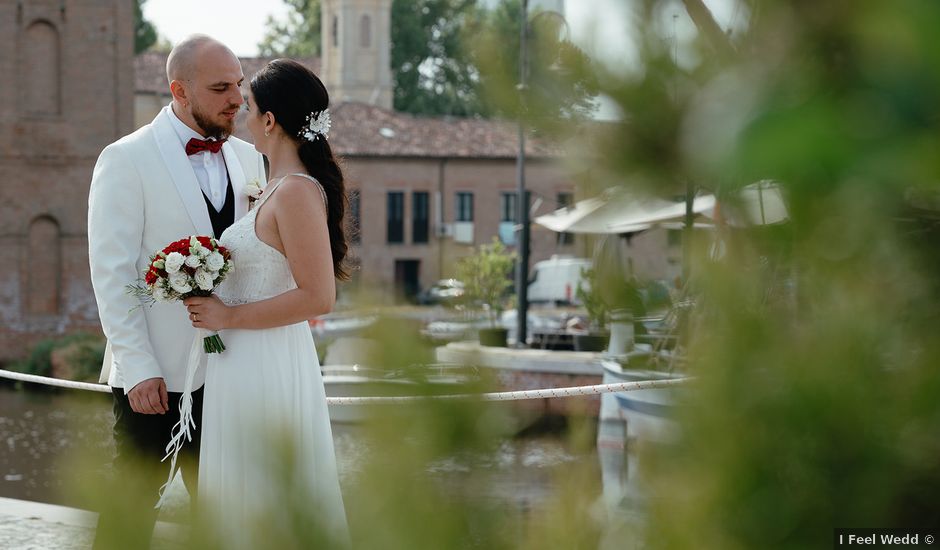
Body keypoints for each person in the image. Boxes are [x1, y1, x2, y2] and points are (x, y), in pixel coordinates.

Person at [87, 35, 265, 549]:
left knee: (227, 519)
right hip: (154, 380)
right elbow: (112, 273)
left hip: (233, 375)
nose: (237, 99)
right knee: (129, 517)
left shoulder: (251, 160)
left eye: (239, 84)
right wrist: (139, 367)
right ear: (179, 91)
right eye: (220, 88)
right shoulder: (125, 159)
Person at [182, 58, 350, 546]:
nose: (243, 115)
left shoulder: (296, 192)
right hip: (240, 362)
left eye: (250, 107)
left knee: (266, 494)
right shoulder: (270, 189)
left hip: (268, 362)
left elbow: (319, 295)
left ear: (271, 120)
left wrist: (228, 314)